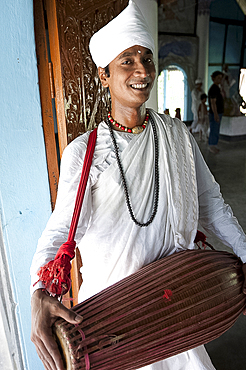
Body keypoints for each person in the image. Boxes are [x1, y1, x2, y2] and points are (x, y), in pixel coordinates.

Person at [30, 2, 246, 370]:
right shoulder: (84, 152)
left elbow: (212, 207)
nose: (142, 69)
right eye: (127, 61)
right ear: (104, 75)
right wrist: (38, 294)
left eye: (147, 58)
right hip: (114, 320)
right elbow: (59, 233)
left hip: (176, 303)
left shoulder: (177, 135)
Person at [208, 71, 224, 154]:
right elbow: (213, 103)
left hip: (218, 112)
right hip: (215, 112)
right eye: (218, 78)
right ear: (214, 78)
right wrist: (216, 114)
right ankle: (212, 145)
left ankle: (214, 144)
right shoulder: (214, 88)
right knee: (214, 128)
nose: (220, 80)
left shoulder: (218, 88)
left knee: (216, 128)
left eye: (221, 78)